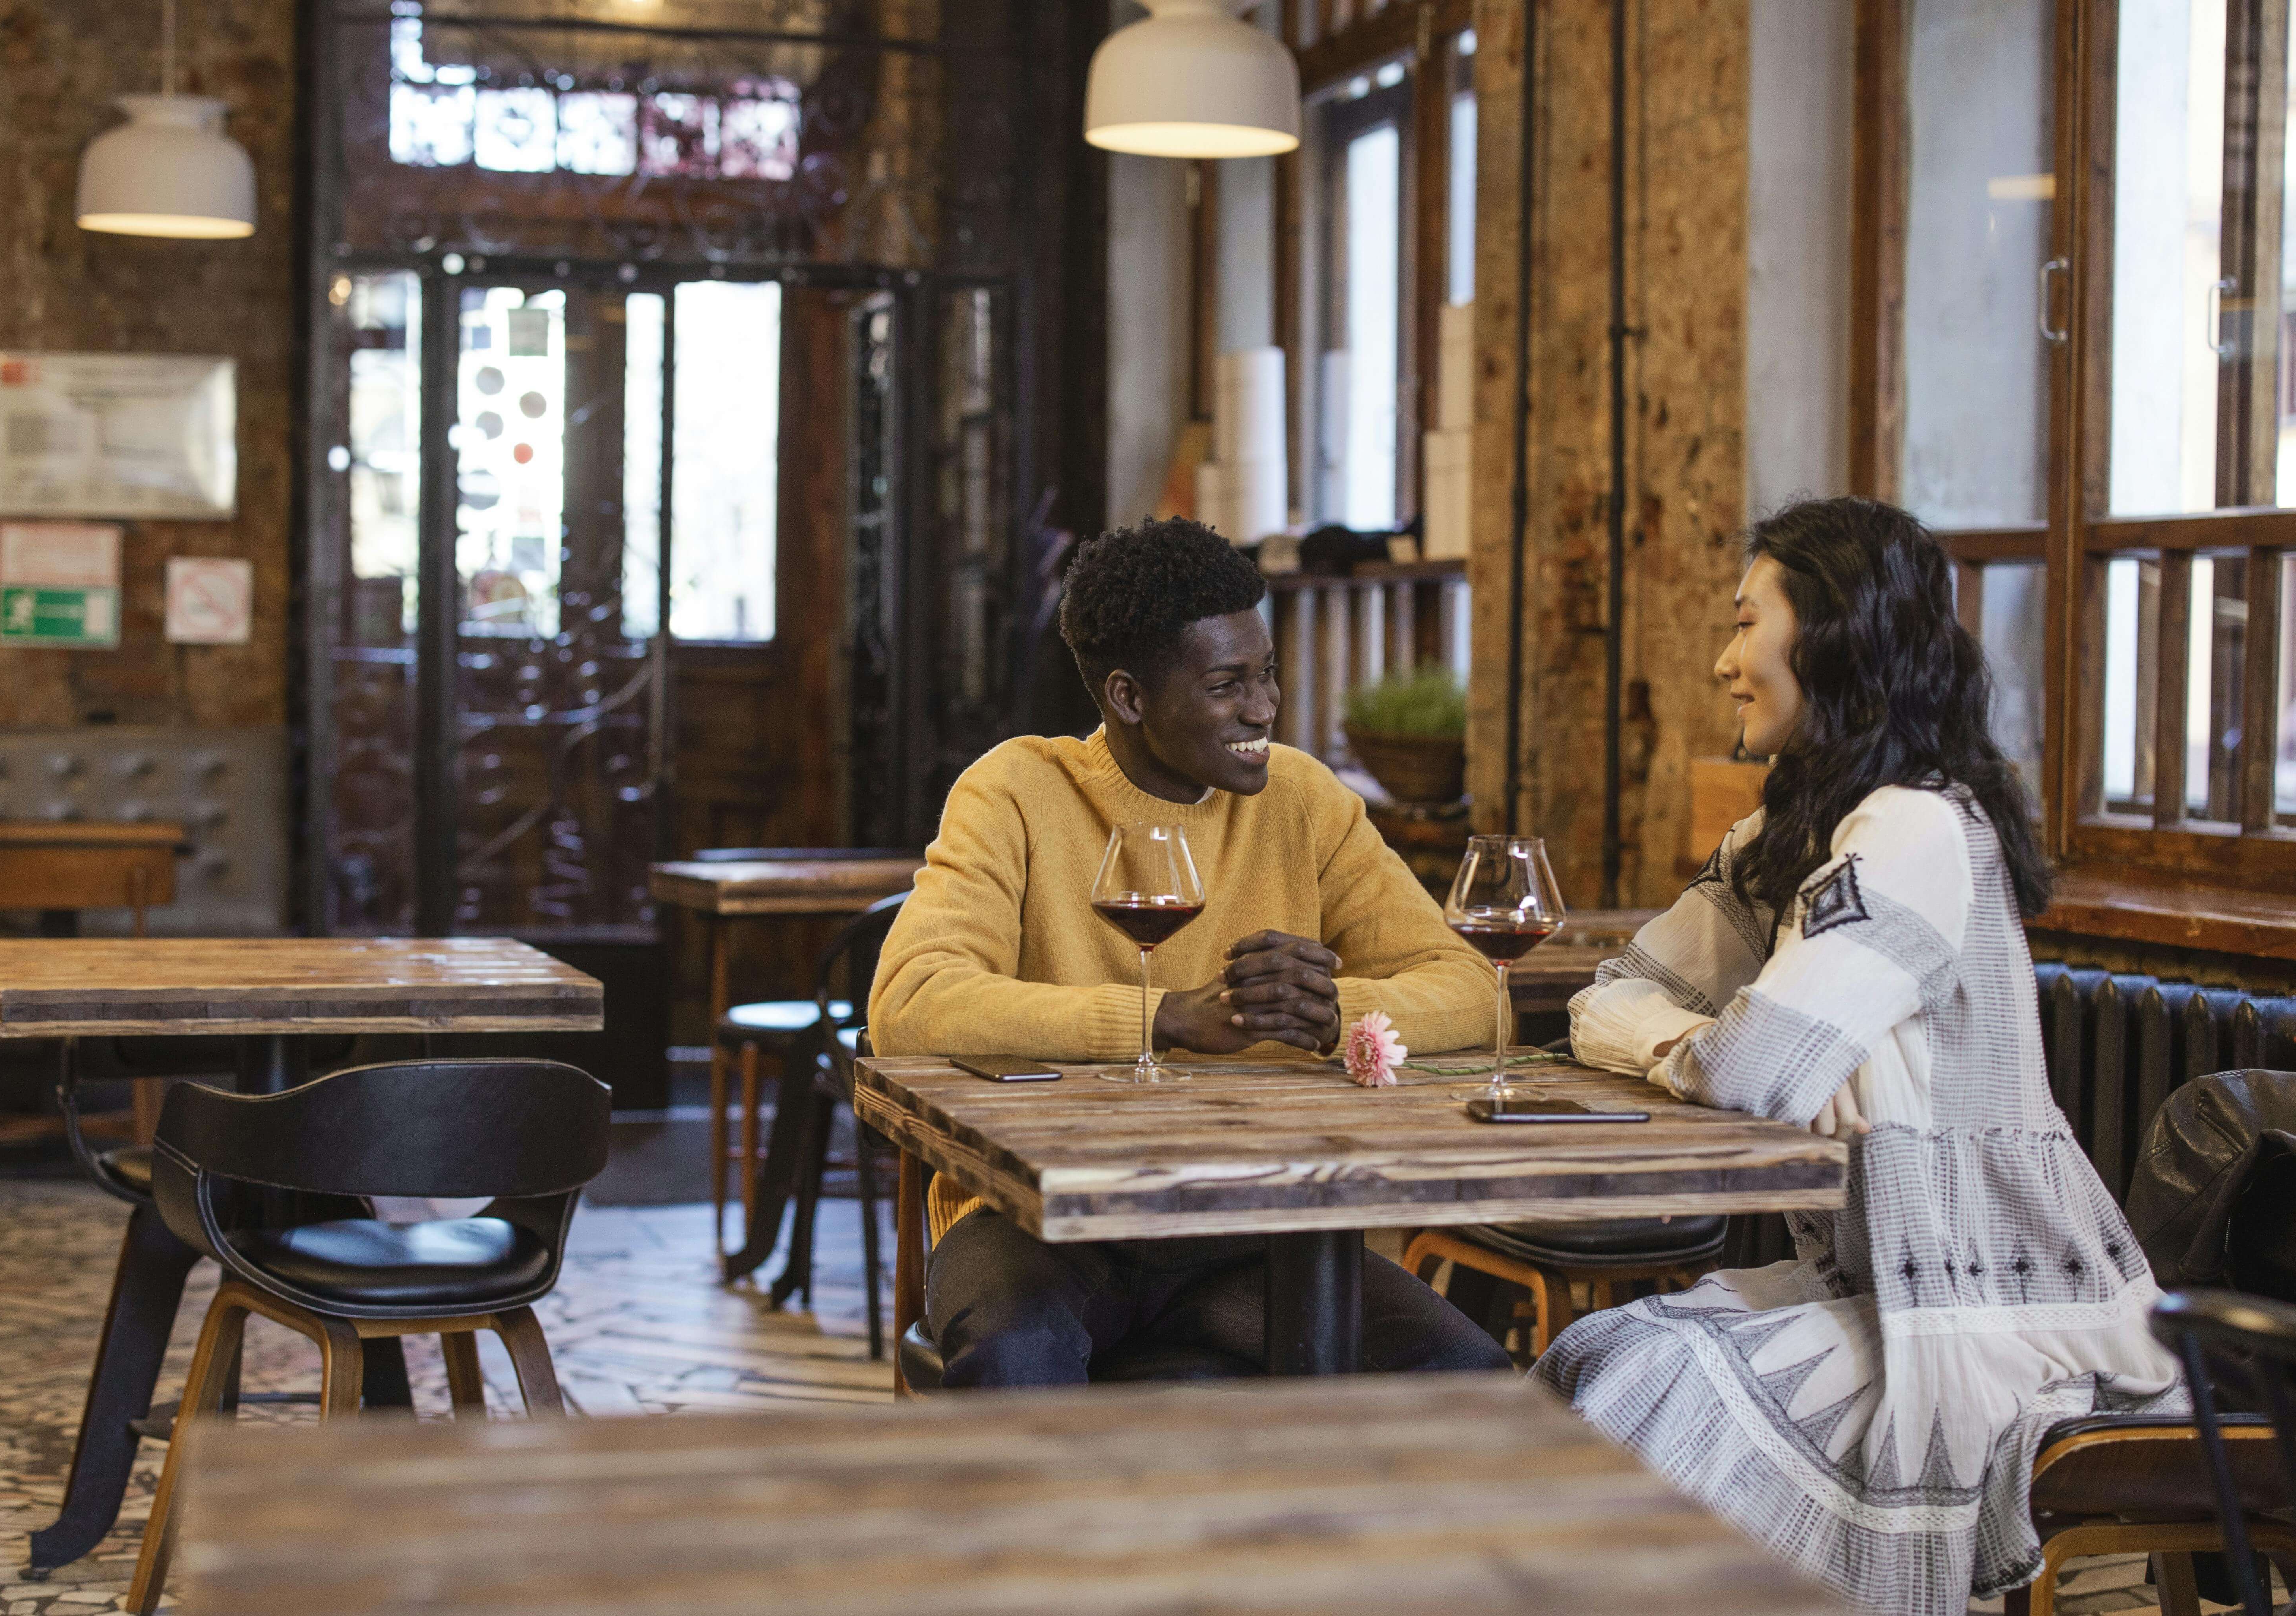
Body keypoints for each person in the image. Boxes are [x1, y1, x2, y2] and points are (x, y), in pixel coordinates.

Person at [1532, 498, 2180, 1616]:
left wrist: (1744, 1051)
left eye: (1747, 624)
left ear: (1831, 639)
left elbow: (1758, 1068)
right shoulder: (1786, 839)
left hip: (1993, 1309)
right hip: (1878, 1289)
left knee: (1652, 1394)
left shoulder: (1917, 827)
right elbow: (1612, 999)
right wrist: (1704, 1040)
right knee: (1602, 1356)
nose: (1728, 661)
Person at [869, 516, 1508, 1387]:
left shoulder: (1301, 799)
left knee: (1457, 1368)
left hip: (1252, 1221)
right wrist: (1162, 1018)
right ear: (1128, 697)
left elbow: (1473, 989)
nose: (1264, 707)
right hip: (1037, 1218)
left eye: (1267, 673)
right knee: (1016, 1359)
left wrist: (1333, 1014)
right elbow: (910, 1003)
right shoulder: (1015, 790)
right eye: (1226, 684)